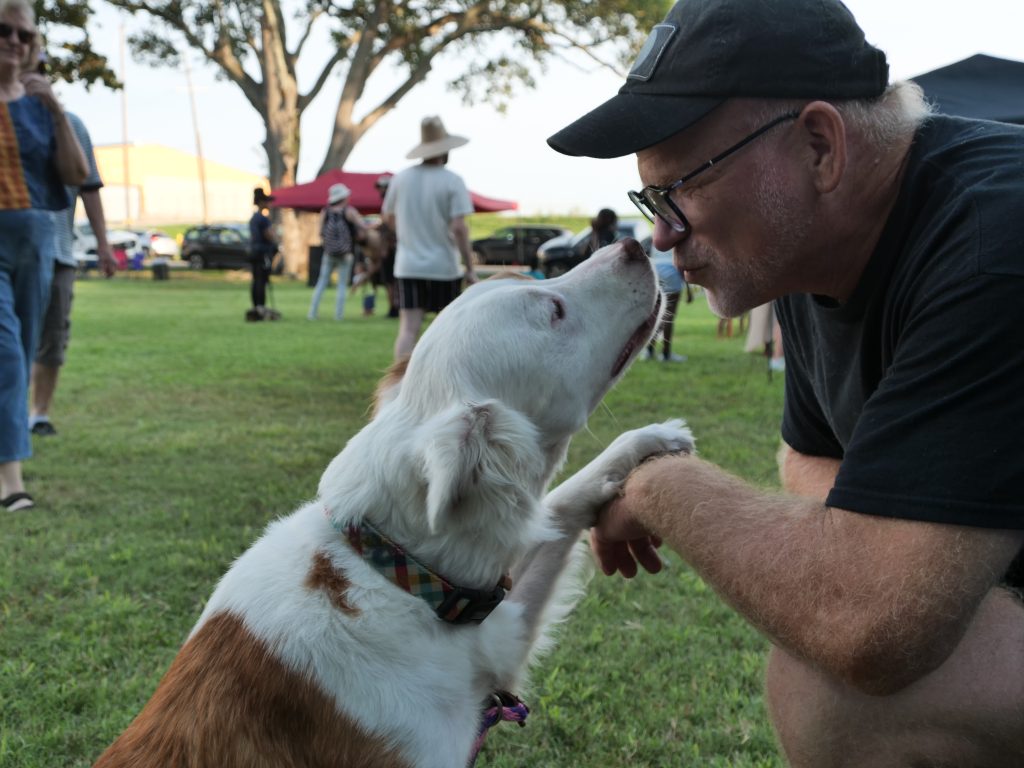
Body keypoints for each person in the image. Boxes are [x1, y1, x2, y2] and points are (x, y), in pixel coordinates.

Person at [547, 0, 1024, 765]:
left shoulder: (992, 245)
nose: (662, 234)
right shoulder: (817, 253)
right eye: (650, 199)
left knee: (845, 697)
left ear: (818, 146)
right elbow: (811, 456)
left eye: (683, 187)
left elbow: (869, 624)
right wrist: (861, 551)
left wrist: (657, 487)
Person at [0, 0, 87, 512]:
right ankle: (11, 479)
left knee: (24, 352)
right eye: (3, 31)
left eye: (24, 35)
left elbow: (76, 175)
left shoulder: (43, 105)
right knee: (9, 356)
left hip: (35, 248)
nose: (14, 41)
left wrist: (54, 108)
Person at [26, 54, 117, 438]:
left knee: (53, 338)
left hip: (60, 251)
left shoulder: (71, 125)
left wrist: (103, 243)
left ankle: (39, 413)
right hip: (10, 251)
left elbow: (89, 187)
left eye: (40, 70)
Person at [381, 115, 477, 361]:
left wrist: (408, 233)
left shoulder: (400, 179)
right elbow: (459, 228)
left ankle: (400, 390)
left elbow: (388, 218)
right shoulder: (452, 180)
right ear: (445, 150)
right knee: (447, 331)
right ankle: (443, 387)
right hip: (444, 267)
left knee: (408, 329)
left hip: (408, 266)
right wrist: (469, 267)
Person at [308, 183, 365, 321]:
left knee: (321, 283)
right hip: (346, 254)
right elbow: (363, 226)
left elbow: (320, 232)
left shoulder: (325, 211)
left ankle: (312, 313)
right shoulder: (349, 211)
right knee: (341, 285)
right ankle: (338, 316)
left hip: (329, 253)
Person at [644, 255, 687, 363]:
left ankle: (649, 351)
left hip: (655, 268)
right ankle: (666, 354)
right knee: (669, 317)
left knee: (655, 315)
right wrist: (689, 290)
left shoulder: (654, 238)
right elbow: (681, 263)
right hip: (671, 269)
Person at [247, 187, 279, 321]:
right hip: (263, 253)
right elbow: (269, 235)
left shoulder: (254, 218)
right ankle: (260, 306)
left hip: (254, 252)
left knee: (256, 280)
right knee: (261, 281)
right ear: (261, 202)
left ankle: (257, 306)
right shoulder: (263, 219)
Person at [373, 174, 399, 318]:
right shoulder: (388, 205)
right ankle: (393, 308)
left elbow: (390, 226)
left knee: (392, 281)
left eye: (384, 187)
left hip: (393, 249)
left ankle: (395, 308)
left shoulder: (393, 206)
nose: (381, 190)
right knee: (389, 281)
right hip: (389, 249)